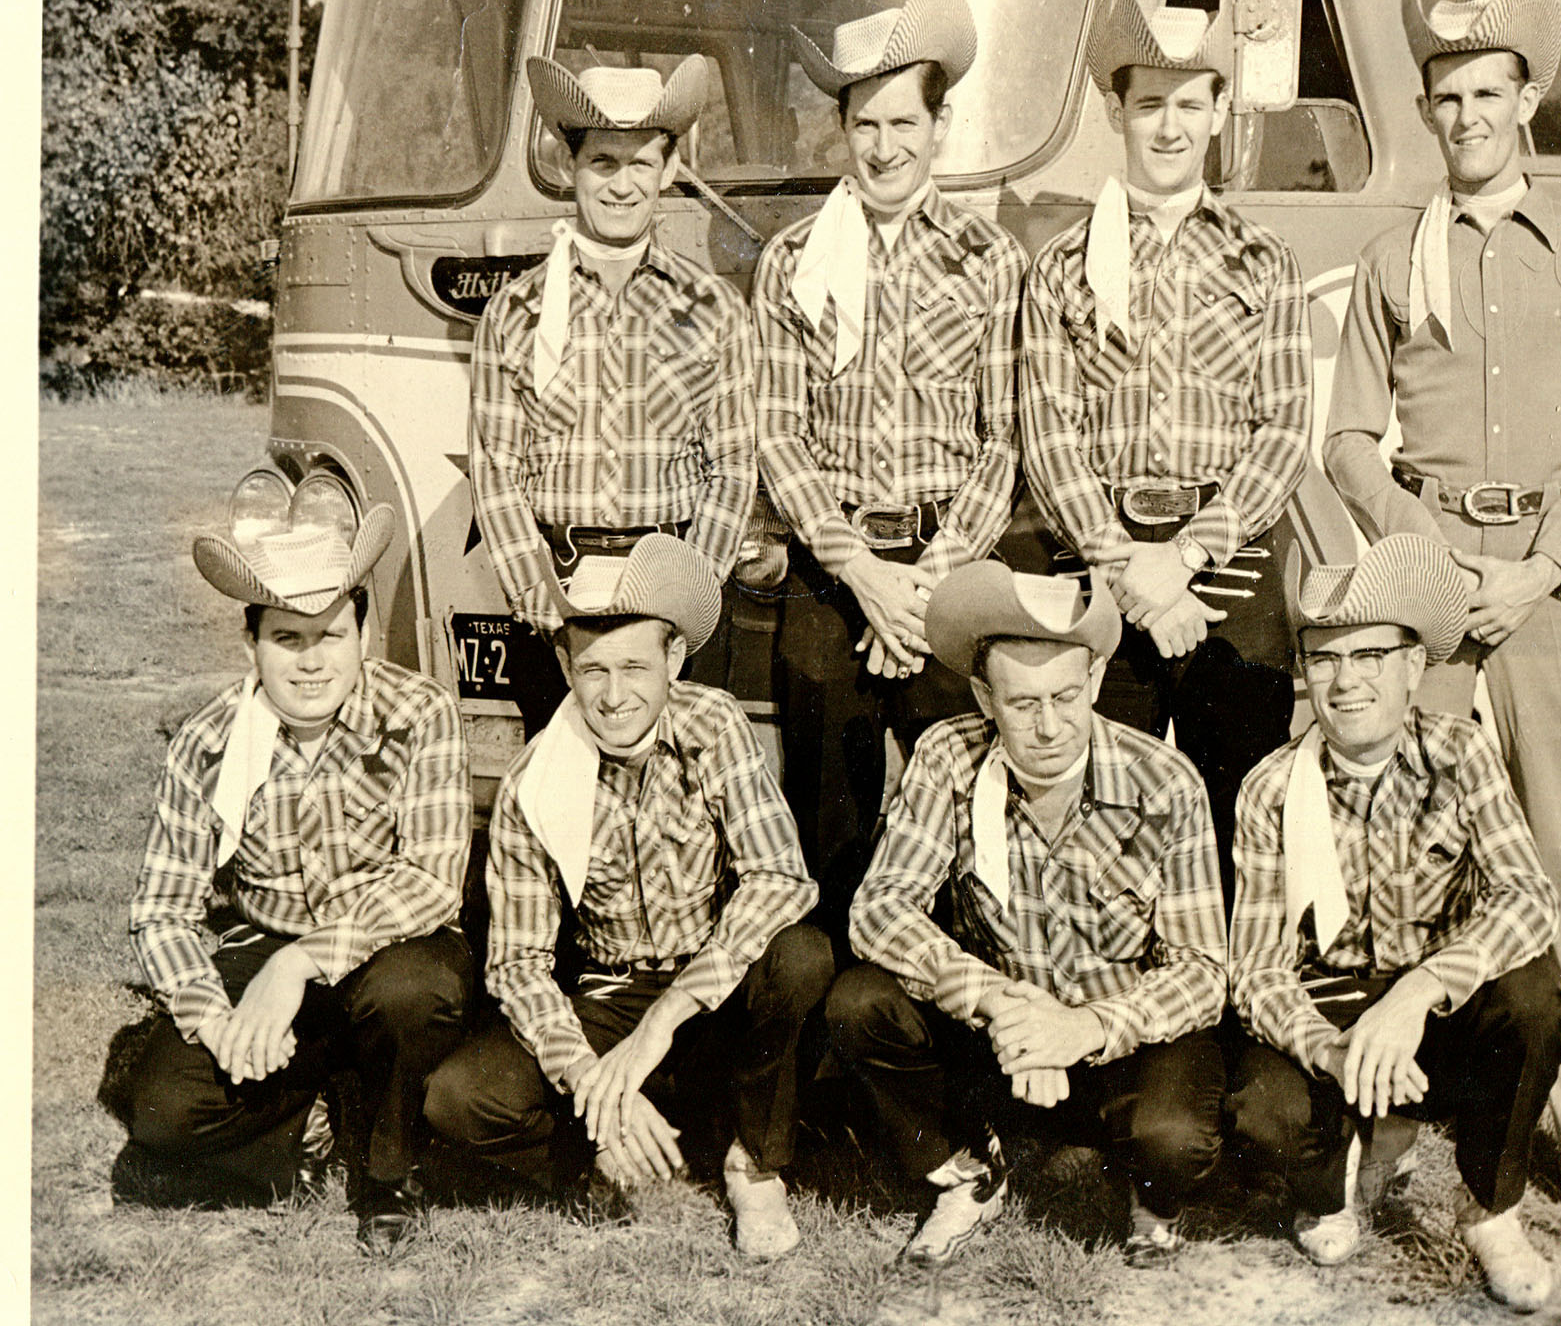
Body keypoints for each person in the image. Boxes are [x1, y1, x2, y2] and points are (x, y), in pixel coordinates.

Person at [1322, 0, 1561, 1227]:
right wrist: (1434, 561)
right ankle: (1399, 1118)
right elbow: (1352, 438)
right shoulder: (1391, 261)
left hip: (1550, 596)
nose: (1465, 116)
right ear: (1426, 110)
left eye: (1487, 94)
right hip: (1435, 599)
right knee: (1412, 857)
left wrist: (1545, 567)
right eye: (1446, 97)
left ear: (1529, 103)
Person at [423, 534, 834, 1259]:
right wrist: (590, 1083)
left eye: (637, 667)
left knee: (799, 955)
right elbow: (518, 963)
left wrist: (666, 1020)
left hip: (707, 987)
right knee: (457, 1098)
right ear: (564, 665)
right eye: (595, 670)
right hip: (610, 991)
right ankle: (613, 1145)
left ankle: (751, 1163)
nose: (615, 696)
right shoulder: (535, 779)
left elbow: (779, 877)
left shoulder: (712, 724)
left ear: (675, 659)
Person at [828, 563, 1226, 1267]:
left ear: (1098, 681)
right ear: (984, 695)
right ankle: (971, 1170)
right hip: (1000, 1039)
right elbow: (879, 909)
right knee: (860, 1003)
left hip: (1115, 1043)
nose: (1047, 726)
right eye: (1021, 702)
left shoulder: (1165, 781)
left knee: (1175, 1137)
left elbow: (1203, 972)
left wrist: (1082, 1028)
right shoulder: (949, 753)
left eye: (1066, 696)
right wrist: (1002, 1000)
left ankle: (1149, 1196)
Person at [113, 496, 473, 1252]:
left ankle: (386, 1175)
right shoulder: (207, 743)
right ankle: (313, 1119)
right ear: (251, 642)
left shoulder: (422, 713)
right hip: (268, 945)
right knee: (160, 1110)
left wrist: (300, 961)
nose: (311, 660)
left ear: (365, 631)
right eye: (287, 638)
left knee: (415, 992)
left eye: (330, 634)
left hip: (386, 954)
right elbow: (162, 909)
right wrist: (217, 1020)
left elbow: (434, 878)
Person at [751, 0, 1031, 937]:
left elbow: (1007, 440)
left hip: (948, 578)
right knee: (824, 833)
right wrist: (862, 571)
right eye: (864, 124)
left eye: (903, 123)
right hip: (836, 582)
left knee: (973, 825)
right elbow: (777, 435)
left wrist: (926, 584)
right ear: (840, 127)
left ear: (938, 126)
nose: (884, 147)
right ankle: (832, 1048)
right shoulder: (792, 261)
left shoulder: (990, 263)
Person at [1226, 532, 1561, 1311]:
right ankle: (1332, 1177)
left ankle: (1491, 1209)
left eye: (1369, 655)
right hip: (1332, 1005)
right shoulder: (1271, 788)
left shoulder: (1459, 750)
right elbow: (1254, 969)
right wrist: (1331, 1047)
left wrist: (1417, 993)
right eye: (1324, 658)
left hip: (1433, 1001)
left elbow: (1529, 895)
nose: (1346, 681)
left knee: (1535, 998)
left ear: (1414, 666)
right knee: (1258, 1110)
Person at [1018, 0, 1312, 870]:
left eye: (1191, 103)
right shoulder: (1062, 265)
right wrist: (1127, 567)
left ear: (1220, 110)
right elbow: (1050, 433)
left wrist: (1183, 558)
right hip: (1103, 571)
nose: (1170, 126)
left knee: (1241, 818)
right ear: (1117, 112)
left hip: (1230, 565)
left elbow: (1287, 426)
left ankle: (1235, 1002)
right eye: (1149, 104)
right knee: (1105, 818)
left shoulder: (1265, 260)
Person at [469, 53, 759, 736]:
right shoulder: (514, 313)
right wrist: (545, 605)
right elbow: (497, 473)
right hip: (558, 604)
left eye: (640, 163)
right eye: (603, 162)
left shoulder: (713, 309)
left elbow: (732, 469)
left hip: (672, 607)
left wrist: (683, 602)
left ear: (669, 168)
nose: (622, 185)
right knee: (565, 813)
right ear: (572, 166)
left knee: (675, 816)